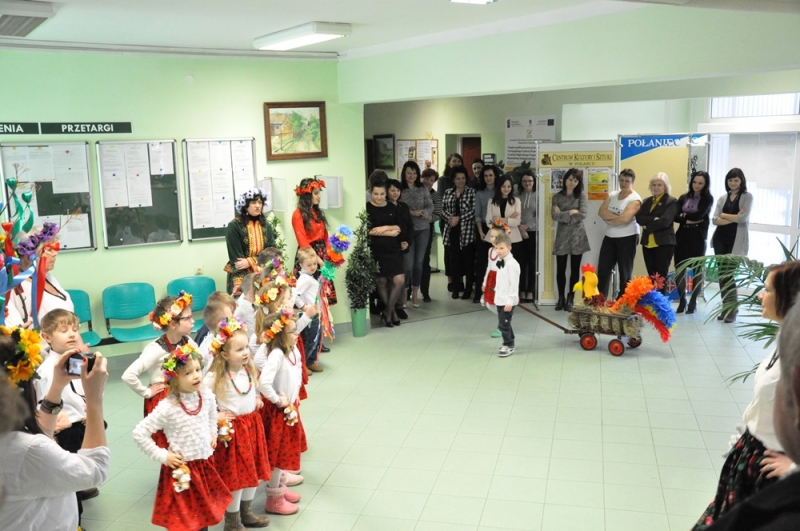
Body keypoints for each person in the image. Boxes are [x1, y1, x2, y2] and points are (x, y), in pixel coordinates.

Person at [694, 261, 800, 529]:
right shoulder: (783, 339)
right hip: (751, 453)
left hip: (771, 464)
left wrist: (794, 468)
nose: (760, 296)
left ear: (789, 297)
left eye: (768, 290)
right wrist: (747, 432)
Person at [0, 327, 109, 531]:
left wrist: (57, 386)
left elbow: (36, 435)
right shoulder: (27, 449)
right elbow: (94, 470)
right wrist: (94, 399)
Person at [132, 346, 231, 531]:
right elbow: (139, 433)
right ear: (175, 378)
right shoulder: (168, 407)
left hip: (204, 467)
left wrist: (212, 433)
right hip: (182, 470)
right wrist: (163, 456)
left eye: (198, 370)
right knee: (184, 521)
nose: (196, 376)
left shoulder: (206, 396)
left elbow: (212, 414)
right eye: (188, 373)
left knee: (203, 516)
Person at [204, 317, 271, 529]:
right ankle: (232, 522)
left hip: (252, 427)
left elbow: (254, 388)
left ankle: (246, 512)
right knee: (237, 479)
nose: (245, 352)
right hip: (233, 433)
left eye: (246, 347)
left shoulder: (248, 369)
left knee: (253, 473)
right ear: (224, 354)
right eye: (239, 349)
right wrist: (216, 415)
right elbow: (200, 400)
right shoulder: (216, 377)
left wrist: (257, 398)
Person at [36, 310, 100, 509]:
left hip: (81, 423)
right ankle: (74, 510)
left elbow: (83, 389)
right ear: (47, 337)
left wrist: (88, 409)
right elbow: (45, 404)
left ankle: (81, 489)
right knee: (68, 474)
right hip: (65, 431)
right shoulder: (47, 370)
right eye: (64, 331)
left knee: (81, 465)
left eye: (74, 329)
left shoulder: (77, 360)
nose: (72, 334)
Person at [121, 292, 197, 447]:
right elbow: (128, 375)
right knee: (171, 445)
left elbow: (200, 362)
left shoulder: (188, 341)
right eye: (187, 318)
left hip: (184, 394)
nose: (193, 321)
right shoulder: (156, 349)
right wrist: (146, 392)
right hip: (166, 400)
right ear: (173, 324)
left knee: (187, 442)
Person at [257, 310, 308, 516]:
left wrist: (295, 396)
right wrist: (278, 400)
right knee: (278, 456)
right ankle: (274, 498)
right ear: (279, 336)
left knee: (285, 452)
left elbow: (297, 373)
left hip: (290, 408)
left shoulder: (292, 350)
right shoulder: (277, 354)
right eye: (292, 331)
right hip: (279, 413)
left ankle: (279, 486)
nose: (296, 334)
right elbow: (263, 383)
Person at [6, 222, 73, 329]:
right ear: (28, 257)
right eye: (48, 250)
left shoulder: (49, 277)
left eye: (55, 248)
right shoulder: (15, 287)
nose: (55, 254)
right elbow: (15, 330)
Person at [711, 168, 753, 323]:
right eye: (730, 180)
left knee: (729, 275)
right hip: (720, 239)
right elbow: (714, 219)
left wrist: (724, 215)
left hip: (736, 241)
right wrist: (733, 217)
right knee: (722, 275)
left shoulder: (747, 197)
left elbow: (742, 219)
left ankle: (732, 309)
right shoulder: (723, 198)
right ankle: (726, 307)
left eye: (736, 180)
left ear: (741, 181)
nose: (733, 183)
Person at [596, 168, 642, 299]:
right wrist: (618, 218)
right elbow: (601, 212)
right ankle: (600, 301)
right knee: (603, 270)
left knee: (625, 272)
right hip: (610, 237)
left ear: (632, 182)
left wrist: (610, 219)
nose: (624, 183)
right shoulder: (612, 195)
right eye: (621, 180)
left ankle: (622, 302)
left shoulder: (635, 199)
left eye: (627, 181)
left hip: (628, 237)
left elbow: (626, 219)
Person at [291, 177, 337, 306]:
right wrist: (319, 262)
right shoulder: (298, 214)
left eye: (319, 192)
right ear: (307, 195)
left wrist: (330, 256)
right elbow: (303, 243)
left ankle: (324, 319)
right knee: (307, 299)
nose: (319, 196)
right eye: (316, 193)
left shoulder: (317, 212)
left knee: (323, 298)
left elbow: (325, 236)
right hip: (308, 256)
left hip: (322, 253)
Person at [366, 181, 405, 327]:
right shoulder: (368, 207)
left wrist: (384, 228)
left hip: (393, 249)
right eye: (376, 194)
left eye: (382, 194)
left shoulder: (392, 207)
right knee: (381, 281)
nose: (379, 197)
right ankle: (392, 312)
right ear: (371, 193)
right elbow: (369, 231)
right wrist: (389, 232)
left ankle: (388, 310)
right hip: (377, 249)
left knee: (399, 280)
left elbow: (399, 228)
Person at [674, 170, 714, 314]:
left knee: (697, 270)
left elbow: (699, 215)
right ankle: (682, 299)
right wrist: (687, 219)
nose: (696, 185)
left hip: (698, 237)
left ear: (705, 185)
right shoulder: (683, 197)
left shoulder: (708, 199)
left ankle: (693, 300)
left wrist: (684, 216)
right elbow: (675, 216)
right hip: (682, 236)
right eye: (695, 182)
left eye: (700, 183)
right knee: (680, 269)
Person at [224, 187, 276, 295]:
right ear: (245, 205)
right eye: (253, 202)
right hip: (241, 276)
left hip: (263, 276)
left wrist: (250, 261)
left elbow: (272, 252)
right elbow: (237, 260)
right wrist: (238, 283)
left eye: (260, 202)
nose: (257, 205)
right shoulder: (235, 226)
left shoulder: (267, 226)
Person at [551, 168, 590, 311]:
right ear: (565, 180)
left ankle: (570, 298)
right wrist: (571, 212)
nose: (572, 182)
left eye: (575, 180)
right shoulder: (557, 197)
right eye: (570, 179)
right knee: (560, 269)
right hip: (562, 236)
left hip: (577, 236)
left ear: (578, 182)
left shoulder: (581, 196)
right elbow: (554, 216)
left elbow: (583, 214)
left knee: (574, 269)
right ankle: (560, 298)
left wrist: (563, 214)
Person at [635, 172, 678, 295]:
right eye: (654, 185)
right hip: (648, 243)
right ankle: (653, 302)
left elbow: (665, 221)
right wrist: (653, 219)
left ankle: (661, 303)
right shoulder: (647, 201)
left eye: (660, 185)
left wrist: (647, 225)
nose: (656, 187)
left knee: (661, 277)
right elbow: (639, 218)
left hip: (664, 244)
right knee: (651, 276)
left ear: (665, 186)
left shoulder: (671, 201)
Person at [400, 161, 434, 308]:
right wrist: (411, 213)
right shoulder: (400, 189)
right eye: (409, 173)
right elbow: (398, 208)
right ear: (404, 173)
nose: (412, 176)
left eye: (414, 173)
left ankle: (415, 293)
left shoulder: (423, 188)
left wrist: (423, 213)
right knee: (408, 264)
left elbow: (430, 206)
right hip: (407, 231)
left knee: (419, 263)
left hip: (423, 229)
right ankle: (404, 293)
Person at [441, 166, 477, 300]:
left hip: (467, 232)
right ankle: (456, 288)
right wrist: (450, 218)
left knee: (468, 262)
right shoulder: (448, 192)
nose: (461, 181)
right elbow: (442, 210)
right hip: (451, 232)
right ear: (453, 180)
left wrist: (459, 218)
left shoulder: (471, 192)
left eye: (463, 178)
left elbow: (474, 211)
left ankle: (468, 289)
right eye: (458, 178)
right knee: (454, 262)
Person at [482, 232, 520, 357]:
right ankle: (509, 342)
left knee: (503, 324)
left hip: (507, 301)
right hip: (500, 298)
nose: (498, 251)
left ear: (509, 248)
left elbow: (514, 285)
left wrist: (510, 301)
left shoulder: (512, 264)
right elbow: (500, 281)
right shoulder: (501, 261)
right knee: (504, 323)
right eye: (496, 248)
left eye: (501, 248)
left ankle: (509, 344)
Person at [294, 247, 323, 372]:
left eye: (315, 264)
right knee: (311, 340)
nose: (313, 267)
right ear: (301, 265)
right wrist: (304, 307)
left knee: (316, 338)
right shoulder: (304, 279)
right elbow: (295, 295)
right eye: (309, 265)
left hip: (315, 314)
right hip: (309, 315)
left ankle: (310, 362)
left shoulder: (309, 277)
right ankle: (303, 364)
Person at [387, 178, 413, 318]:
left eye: (398, 190)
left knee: (406, 271)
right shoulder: (385, 206)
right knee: (393, 277)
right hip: (391, 246)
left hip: (405, 246)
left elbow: (409, 226)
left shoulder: (404, 206)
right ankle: (393, 306)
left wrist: (407, 242)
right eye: (392, 190)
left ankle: (400, 304)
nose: (395, 193)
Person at [474, 165, 498, 303]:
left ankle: (495, 293)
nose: (488, 178)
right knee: (482, 262)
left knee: (497, 261)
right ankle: (480, 292)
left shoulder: (500, 191)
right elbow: (477, 215)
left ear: (495, 176)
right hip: (483, 228)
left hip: (498, 227)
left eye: (491, 175)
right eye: (486, 176)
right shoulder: (480, 193)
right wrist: (481, 232)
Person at [420, 168, 442, 303]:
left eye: (432, 180)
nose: (429, 182)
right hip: (413, 231)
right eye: (427, 179)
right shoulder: (414, 192)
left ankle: (425, 291)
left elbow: (438, 214)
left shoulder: (435, 196)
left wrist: (428, 218)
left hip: (427, 230)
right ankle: (409, 291)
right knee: (411, 262)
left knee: (424, 261)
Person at [518, 170, 538, 303]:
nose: (527, 183)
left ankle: (530, 290)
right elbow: (513, 212)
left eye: (530, 181)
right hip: (517, 232)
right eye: (524, 181)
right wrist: (520, 227)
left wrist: (527, 226)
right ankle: (521, 290)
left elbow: (540, 214)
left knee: (531, 262)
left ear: (534, 182)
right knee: (520, 262)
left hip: (532, 232)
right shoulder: (517, 195)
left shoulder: (538, 195)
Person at [196, 301, 235, 372]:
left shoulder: (219, 337)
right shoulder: (211, 350)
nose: (235, 320)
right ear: (221, 325)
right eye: (230, 319)